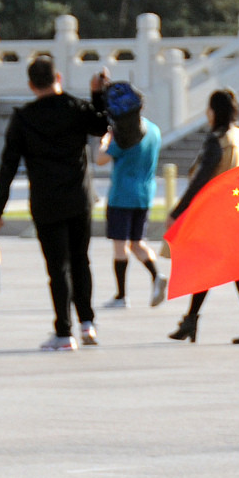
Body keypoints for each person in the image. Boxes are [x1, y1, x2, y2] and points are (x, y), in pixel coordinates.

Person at [0, 56, 109, 351]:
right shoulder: (76, 108)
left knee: (58, 267)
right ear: (58, 76)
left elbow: (8, 165)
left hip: (46, 202)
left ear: (31, 85)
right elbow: (101, 125)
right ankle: (88, 324)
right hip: (79, 199)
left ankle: (64, 332)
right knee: (81, 261)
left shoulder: (23, 118)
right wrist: (98, 93)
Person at [164, 89, 239, 344]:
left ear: (215, 111)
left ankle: (196, 320)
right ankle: (199, 319)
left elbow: (201, 178)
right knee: (222, 264)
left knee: (211, 263)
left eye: (209, 108)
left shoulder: (217, 139)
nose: (207, 114)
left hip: (217, 213)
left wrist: (178, 211)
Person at [95, 82, 167, 309]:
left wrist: (104, 140)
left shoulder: (123, 138)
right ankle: (157, 275)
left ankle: (120, 295)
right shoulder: (153, 130)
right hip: (145, 194)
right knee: (137, 243)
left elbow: (100, 159)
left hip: (122, 195)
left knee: (120, 246)